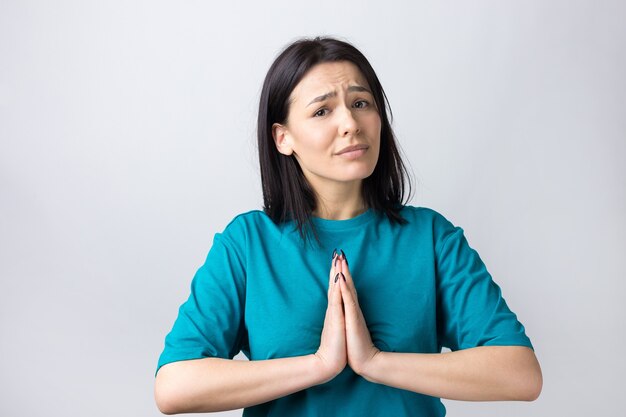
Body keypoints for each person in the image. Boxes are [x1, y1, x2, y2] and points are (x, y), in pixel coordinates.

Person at [154, 36, 542, 416]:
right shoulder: (248, 244)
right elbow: (174, 387)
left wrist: (374, 361)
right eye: (322, 111)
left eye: (361, 103)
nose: (351, 123)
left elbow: (520, 374)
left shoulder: (431, 238)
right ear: (283, 137)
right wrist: (320, 364)